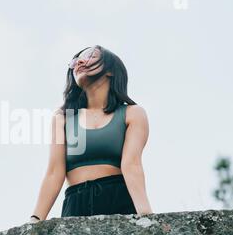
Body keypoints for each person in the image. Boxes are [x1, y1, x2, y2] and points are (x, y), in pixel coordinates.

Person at [29, 45, 152, 224]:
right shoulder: (62, 117)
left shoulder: (133, 113)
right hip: (75, 203)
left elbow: (131, 165)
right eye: (75, 61)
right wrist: (36, 219)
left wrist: (146, 214)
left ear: (110, 70)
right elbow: (54, 172)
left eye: (89, 56)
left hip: (117, 198)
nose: (79, 62)